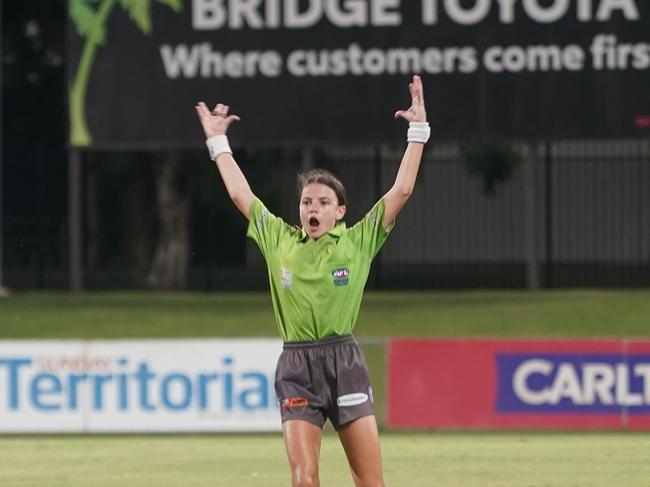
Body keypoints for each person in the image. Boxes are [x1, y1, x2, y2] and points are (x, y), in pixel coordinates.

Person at [194, 74, 429, 487]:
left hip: (345, 363)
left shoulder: (358, 240)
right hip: (296, 367)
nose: (312, 209)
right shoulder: (279, 239)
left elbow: (403, 189)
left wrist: (418, 131)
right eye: (306, 202)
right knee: (303, 479)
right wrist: (218, 144)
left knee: (370, 482)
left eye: (323, 202)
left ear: (340, 211)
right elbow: (240, 195)